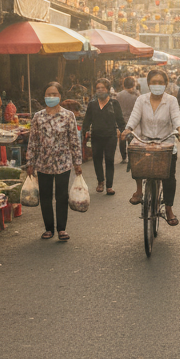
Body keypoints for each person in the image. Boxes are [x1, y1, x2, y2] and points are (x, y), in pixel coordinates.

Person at [124, 69, 180, 226]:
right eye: (154, 82)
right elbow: (134, 117)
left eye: (160, 82)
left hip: (165, 143)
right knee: (134, 153)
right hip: (145, 141)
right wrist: (128, 129)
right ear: (148, 83)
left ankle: (169, 208)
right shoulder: (141, 100)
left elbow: (177, 119)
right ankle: (139, 191)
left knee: (169, 177)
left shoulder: (171, 100)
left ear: (165, 84)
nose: (157, 85)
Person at [25, 82, 83, 242]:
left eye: (54, 94)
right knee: (45, 196)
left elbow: (74, 140)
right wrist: (30, 162)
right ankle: (49, 228)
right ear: (44, 96)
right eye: (48, 94)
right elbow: (33, 141)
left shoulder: (68, 116)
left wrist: (77, 162)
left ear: (60, 96)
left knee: (62, 196)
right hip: (43, 163)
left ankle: (62, 229)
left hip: (63, 162)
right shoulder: (38, 116)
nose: (51, 97)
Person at [81, 78, 125, 196]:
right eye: (98, 88)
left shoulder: (114, 103)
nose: (100, 90)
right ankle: (100, 181)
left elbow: (120, 120)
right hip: (96, 136)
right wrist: (83, 132)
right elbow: (87, 120)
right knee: (97, 159)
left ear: (108, 89)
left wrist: (124, 132)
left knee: (110, 160)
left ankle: (109, 186)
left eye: (103, 88)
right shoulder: (92, 104)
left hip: (110, 135)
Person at [116, 76, 140, 164]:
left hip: (121, 120)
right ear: (133, 84)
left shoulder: (119, 95)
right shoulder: (136, 95)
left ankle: (123, 157)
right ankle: (131, 157)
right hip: (132, 120)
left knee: (122, 138)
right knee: (131, 139)